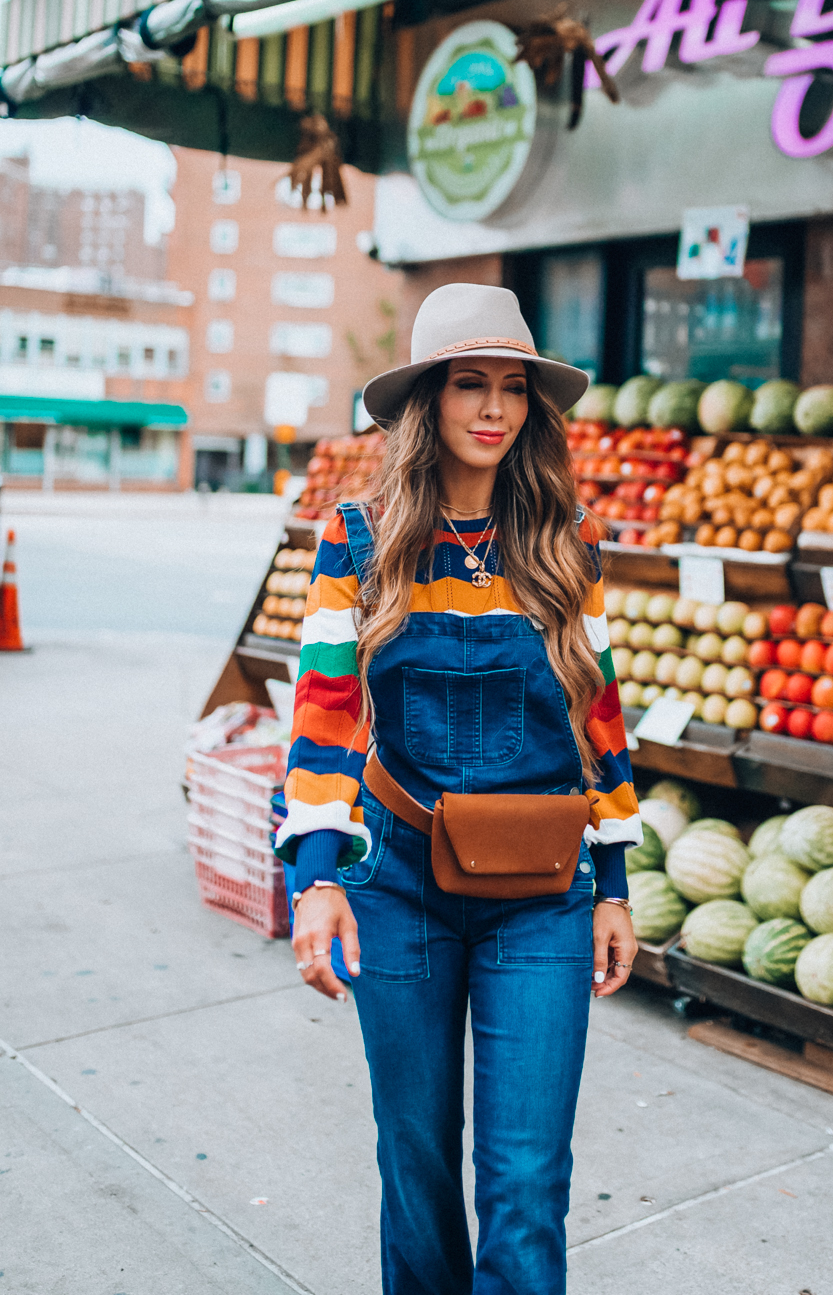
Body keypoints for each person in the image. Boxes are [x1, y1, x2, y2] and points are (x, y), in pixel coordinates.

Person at [276, 283, 642, 1295]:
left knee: (526, 1183)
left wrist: (611, 883)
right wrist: (318, 874)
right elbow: (323, 711)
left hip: (543, 896)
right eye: (467, 384)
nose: (492, 408)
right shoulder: (359, 537)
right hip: (396, 885)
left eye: (511, 388)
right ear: (425, 401)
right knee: (418, 1167)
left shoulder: (563, 542)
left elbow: (595, 717)